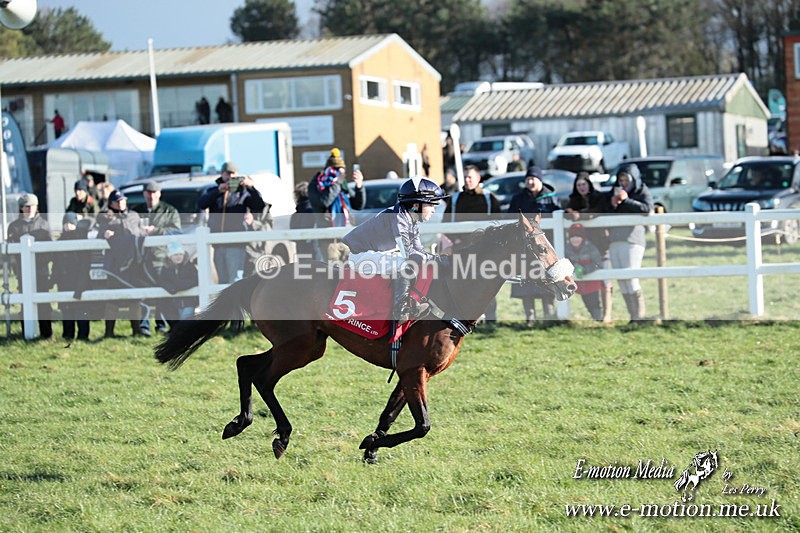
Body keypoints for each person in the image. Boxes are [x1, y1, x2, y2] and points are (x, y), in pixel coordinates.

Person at [342, 177, 449, 321]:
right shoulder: (399, 216)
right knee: (408, 264)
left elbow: (418, 249)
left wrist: (437, 259)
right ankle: (401, 309)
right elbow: (409, 253)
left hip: (375, 254)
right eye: (431, 205)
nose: (434, 211)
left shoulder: (410, 219)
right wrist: (435, 259)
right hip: (361, 256)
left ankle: (412, 300)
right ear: (416, 205)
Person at [443, 164, 501, 321]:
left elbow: (498, 224)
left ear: (478, 178)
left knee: (487, 283)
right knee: (463, 284)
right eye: (466, 177)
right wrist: (456, 239)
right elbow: (445, 223)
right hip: (462, 249)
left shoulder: (490, 199)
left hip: (486, 250)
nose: (468, 180)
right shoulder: (455, 199)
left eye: (471, 177)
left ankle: (490, 317)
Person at [197, 161, 268, 283]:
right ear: (222, 174)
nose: (230, 177)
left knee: (235, 280)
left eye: (232, 174)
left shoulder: (243, 193)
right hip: (218, 244)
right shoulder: (214, 191)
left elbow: (259, 206)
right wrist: (219, 191)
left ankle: (235, 302)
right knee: (222, 281)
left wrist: (250, 187)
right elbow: (201, 204)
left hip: (236, 244)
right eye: (227, 174)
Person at [507, 166, 562, 323]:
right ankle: (529, 318)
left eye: (533, 178)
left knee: (546, 280)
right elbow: (511, 219)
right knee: (526, 282)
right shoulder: (518, 199)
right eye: (528, 179)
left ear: (540, 180)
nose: (530, 182)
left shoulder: (551, 197)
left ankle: (549, 315)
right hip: (525, 247)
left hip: (544, 248)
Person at [602, 163, 653, 323]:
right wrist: (613, 204)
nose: (623, 183)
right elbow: (607, 212)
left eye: (626, 180)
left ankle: (640, 316)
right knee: (621, 280)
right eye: (621, 179)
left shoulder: (641, 190)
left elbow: (646, 209)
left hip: (633, 240)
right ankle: (632, 317)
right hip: (615, 239)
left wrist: (626, 200)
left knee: (631, 278)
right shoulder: (615, 191)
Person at [96, 189, 148, 337]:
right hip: (115, 264)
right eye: (117, 201)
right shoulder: (107, 217)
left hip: (133, 263)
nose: (121, 203)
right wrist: (104, 234)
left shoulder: (134, 215)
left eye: (122, 200)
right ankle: (109, 332)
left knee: (134, 297)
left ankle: (136, 330)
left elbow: (140, 233)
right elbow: (100, 232)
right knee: (113, 297)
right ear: (111, 203)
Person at [133, 180, 182, 333]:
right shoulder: (136, 210)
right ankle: (144, 326)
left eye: (154, 192)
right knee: (143, 293)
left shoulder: (169, 210)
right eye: (148, 192)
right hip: (141, 258)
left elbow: (176, 231)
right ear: (144, 194)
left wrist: (155, 230)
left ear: (159, 194)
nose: (151, 195)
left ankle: (161, 325)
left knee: (163, 292)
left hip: (162, 257)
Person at [565, 171, 612, 322]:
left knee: (604, 281)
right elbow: (569, 214)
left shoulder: (599, 197)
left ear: (589, 184)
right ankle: (595, 314)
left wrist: (580, 214)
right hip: (580, 244)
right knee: (584, 279)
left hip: (600, 242)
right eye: (578, 185)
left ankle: (607, 314)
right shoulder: (573, 199)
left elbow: (598, 212)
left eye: (584, 184)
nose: (581, 187)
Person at [307, 148, 366, 261]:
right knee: (333, 274)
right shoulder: (317, 185)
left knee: (350, 274)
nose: (342, 176)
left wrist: (359, 187)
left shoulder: (341, 185)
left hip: (347, 238)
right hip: (329, 240)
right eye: (339, 172)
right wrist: (336, 184)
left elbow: (358, 205)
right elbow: (324, 202)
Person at [7, 194, 53, 338]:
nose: (29, 209)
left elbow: (50, 248)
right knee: (25, 303)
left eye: (31, 206)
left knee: (44, 303)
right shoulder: (14, 227)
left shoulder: (44, 224)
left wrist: (43, 263)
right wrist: (17, 269)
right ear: (21, 208)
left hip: (41, 271)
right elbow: (11, 252)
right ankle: (27, 334)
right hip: (22, 272)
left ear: (36, 207)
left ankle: (46, 333)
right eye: (26, 206)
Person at [52, 212, 91, 340]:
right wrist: (53, 279)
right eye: (65, 223)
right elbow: (55, 264)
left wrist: (82, 283)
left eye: (70, 223)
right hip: (64, 282)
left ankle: (83, 336)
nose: (68, 226)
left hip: (79, 280)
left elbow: (85, 264)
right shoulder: (59, 242)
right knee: (66, 310)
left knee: (81, 310)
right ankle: (68, 335)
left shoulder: (81, 240)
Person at [564, 224, 605, 321]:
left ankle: (598, 319)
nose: (575, 239)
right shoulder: (566, 249)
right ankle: (594, 318)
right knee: (587, 301)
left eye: (578, 236)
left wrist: (585, 269)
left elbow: (598, 263)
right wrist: (574, 268)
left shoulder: (590, 247)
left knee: (594, 302)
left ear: (582, 238)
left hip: (591, 280)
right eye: (573, 237)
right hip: (579, 282)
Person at [156, 242, 199, 330]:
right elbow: (162, 281)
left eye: (180, 254)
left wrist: (180, 286)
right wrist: (171, 288)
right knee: (175, 324)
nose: (178, 256)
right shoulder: (166, 268)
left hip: (188, 301)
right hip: (173, 303)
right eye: (175, 254)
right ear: (169, 256)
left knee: (185, 323)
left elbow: (195, 280)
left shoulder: (189, 266)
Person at [289, 181, 316, 259]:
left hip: (301, 250)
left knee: (303, 269)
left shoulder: (295, 215)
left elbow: (293, 236)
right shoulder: (313, 210)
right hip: (313, 249)